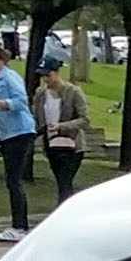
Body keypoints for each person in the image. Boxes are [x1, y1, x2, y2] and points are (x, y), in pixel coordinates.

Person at [0, 33, 36, 240]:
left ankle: (20, 227)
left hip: (19, 132)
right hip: (7, 134)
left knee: (14, 180)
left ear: (1, 59)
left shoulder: (9, 77)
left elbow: (21, 102)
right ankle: (18, 225)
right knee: (11, 180)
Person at [37, 55, 91, 202]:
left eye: (48, 75)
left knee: (65, 181)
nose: (46, 79)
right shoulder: (41, 94)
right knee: (61, 181)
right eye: (43, 76)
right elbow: (38, 118)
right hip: (51, 144)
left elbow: (85, 119)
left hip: (71, 145)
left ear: (56, 73)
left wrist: (61, 126)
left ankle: (64, 212)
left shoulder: (73, 92)